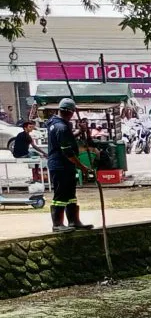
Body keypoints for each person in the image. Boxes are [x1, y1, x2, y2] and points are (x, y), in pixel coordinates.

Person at [45, 99, 94, 233]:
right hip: (61, 165)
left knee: (70, 195)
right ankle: (57, 224)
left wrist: (80, 131)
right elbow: (68, 152)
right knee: (60, 195)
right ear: (71, 113)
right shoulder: (61, 127)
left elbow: (67, 138)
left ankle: (74, 221)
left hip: (65, 165)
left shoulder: (55, 123)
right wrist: (82, 167)